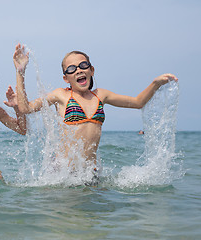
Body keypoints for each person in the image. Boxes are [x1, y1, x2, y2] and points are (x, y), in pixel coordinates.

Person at [13, 44, 178, 180]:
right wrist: (20, 72)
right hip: (64, 173)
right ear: (66, 78)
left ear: (91, 70)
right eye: (71, 68)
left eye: (83, 65)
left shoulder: (101, 95)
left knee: (93, 217)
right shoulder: (61, 95)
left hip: (90, 172)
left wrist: (155, 83)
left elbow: (137, 102)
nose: (78, 70)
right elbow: (26, 108)